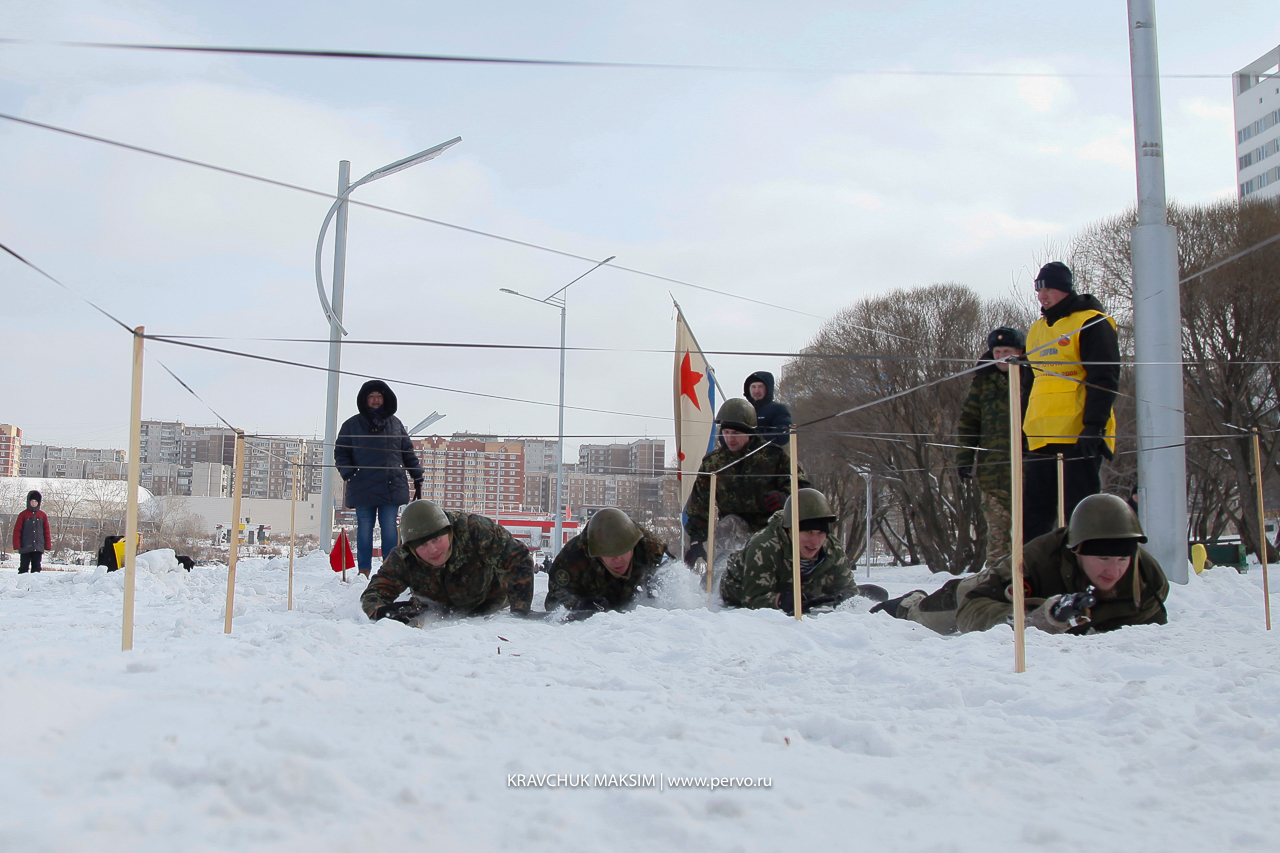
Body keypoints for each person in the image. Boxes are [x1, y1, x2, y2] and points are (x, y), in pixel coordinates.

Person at [871, 493, 1168, 635]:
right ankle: (908, 605)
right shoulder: (1037, 560)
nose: (1114, 571)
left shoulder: (1148, 581)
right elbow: (972, 611)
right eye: (1103, 558)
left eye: (1123, 559)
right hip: (988, 594)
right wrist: (1043, 617)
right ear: (1076, 551)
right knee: (937, 614)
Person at [1023, 262, 1120, 541]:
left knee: (1079, 511)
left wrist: (1094, 425)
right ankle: (1034, 563)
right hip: (1041, 433)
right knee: (1034, 514)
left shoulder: (1091, 322)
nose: (1043, 296)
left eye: (1049, 289)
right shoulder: (1037, 330)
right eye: (1039, 290)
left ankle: (1083, 561)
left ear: (1065, 289)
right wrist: (1021, 430)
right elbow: (1029, 383)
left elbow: (1104, 376)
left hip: (1077, 432)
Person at [682, 398, 808, 565]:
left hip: (770, 530)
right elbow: (699, 503)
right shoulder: (714, 463)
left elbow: (803, 490)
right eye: (726, 432)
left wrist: (785, 498)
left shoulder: (774, 457)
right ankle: (723, 573)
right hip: (733, 532)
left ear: (749, 432)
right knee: (729, 524)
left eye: (736, 433)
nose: (730, 438)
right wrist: (697, 540)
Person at [361, 500, 534, 620]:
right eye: (423, 545)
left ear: (449, 532)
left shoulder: (474, 530)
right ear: (412, 548)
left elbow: (517, 556)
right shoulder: (403, 557)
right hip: (439, 613)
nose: (433, 550)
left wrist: (520, 611)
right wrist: (382, 612)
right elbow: (374, 593)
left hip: (491, 601)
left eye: (436, 539)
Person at [955, 327, 1033, 568]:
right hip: (993, 476)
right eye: (997, 352)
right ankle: (996, 583)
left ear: (1020, 352)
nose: (1001, 357)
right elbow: (969, 422)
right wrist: (964, 459)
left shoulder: (1034, 378)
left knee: (1032, 539)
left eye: (1007, 351)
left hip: (1030, 472)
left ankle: (1030, 583)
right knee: (997, 542)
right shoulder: (983, 382)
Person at [335, 379, 424, 578]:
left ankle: (390, 569)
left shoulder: (395, 424)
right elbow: (341, 452)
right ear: (364, 400)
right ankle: (364, 571)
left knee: (389, 527)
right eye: (371, 396)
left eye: (379, 396)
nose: (375, 400)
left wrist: (417, 474)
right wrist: (350, 473)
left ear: (385, 399)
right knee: (365, 527)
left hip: (391, 484)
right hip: (362, 484)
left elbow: (407, 452)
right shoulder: (351, 425)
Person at [720, 488, 860, 612]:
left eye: (821, 533)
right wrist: (781, 600)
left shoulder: (833, 549)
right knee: (720, 567)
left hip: (799, 589)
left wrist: (844, 597)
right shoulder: (764, 547)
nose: (815, 542)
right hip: (736, 584)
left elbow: (849, 589)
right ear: (790, 530)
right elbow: (753, 600)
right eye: (808, 532)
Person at [545, 507, 672, 616]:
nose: (618, 559)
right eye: (609, 554)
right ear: (597, 554)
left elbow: (674, 574)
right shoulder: (572, 558)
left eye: (622, 551)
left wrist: (660, 586)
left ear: (633, 546)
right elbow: (555, 602)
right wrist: (579, 604)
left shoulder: (651, 548)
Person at [744, 371, 792, 448]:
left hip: (768, 453)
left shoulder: (778, 409)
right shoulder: (741, 409)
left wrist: (752, 440)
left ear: (768, 388)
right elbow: (726, 434)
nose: (757, 391)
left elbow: (782, 435)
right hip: (741, 454)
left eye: (761, 387)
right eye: (753, 387)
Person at [13, 490, 51, 574]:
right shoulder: (23, 515)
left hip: (38, 547)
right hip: (25, 546)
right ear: (28, 502)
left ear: (39, 503)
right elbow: (17, 531)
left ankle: (35, 581)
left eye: (35, 502)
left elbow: (46, 531)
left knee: (36, 568)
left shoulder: (42, 515)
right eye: (32, 501)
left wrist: (47, 545)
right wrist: (17, 545)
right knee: (23, 567)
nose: (33, 503)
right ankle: (22, 581)